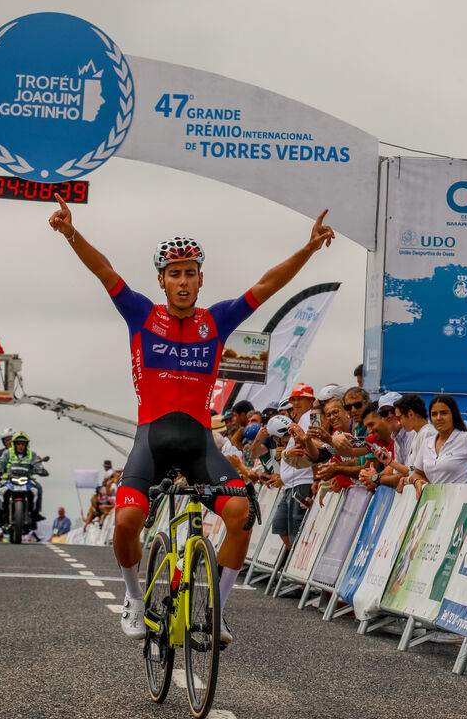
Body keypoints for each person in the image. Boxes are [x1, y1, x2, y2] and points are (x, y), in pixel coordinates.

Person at [48, 194, 334, 644]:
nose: (183, 281)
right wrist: (70, 233)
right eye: (174, 274)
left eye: (190, 273)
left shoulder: (217, 321)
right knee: (125, 522)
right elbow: (105, 271)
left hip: (200, 443)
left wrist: (308, 249)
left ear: (201, 279)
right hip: (152, 441)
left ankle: (217, 611)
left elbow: (267, 284)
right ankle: (134, 599)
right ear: (161, 281)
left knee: (240, 514)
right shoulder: (142, 314)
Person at [398, 395, 467, 496]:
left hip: (460, 504)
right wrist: (417, 481)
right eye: (434, 414)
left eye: (444, 413)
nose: (439, 418)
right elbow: (418, 473)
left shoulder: (465, 439)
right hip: (433, 505)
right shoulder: (427, 443)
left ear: (453, 415)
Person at [270, 384, 321, 550]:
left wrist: (316, 478)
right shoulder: (300, 420)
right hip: (291, 485)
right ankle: (291, 561)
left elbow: (317, 446)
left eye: (300, 398)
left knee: (298, 532)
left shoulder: (311, 416)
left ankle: (294, 561)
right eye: (294, 399)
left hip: (303, 481)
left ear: (310, 400)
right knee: (280, 526)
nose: (296, 403)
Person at [0, 432, 48, 525]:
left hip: (27, 480)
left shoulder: (32, 454)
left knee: (39, 487)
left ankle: (36, 514)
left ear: (26, 445)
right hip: (8, 479)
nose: (21, 446)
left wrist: (42, 470)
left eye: (23, 444)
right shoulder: (7, 453)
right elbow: (0, 462)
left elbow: (38, 464)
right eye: (18, 443)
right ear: (14, 444)